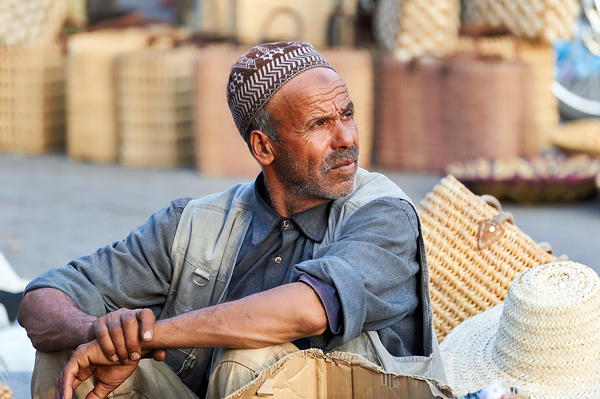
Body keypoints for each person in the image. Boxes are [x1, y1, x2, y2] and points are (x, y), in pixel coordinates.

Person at [18, 41, 446, 399]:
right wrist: (102, 333)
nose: (347, 138)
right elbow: (41, 298)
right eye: (320, 123)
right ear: (264, 148)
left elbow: (310, 310)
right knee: (71, 354)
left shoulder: (385, 212)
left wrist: (150, 336)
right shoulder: (195, 222)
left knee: (252, 361)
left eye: (347, 114)